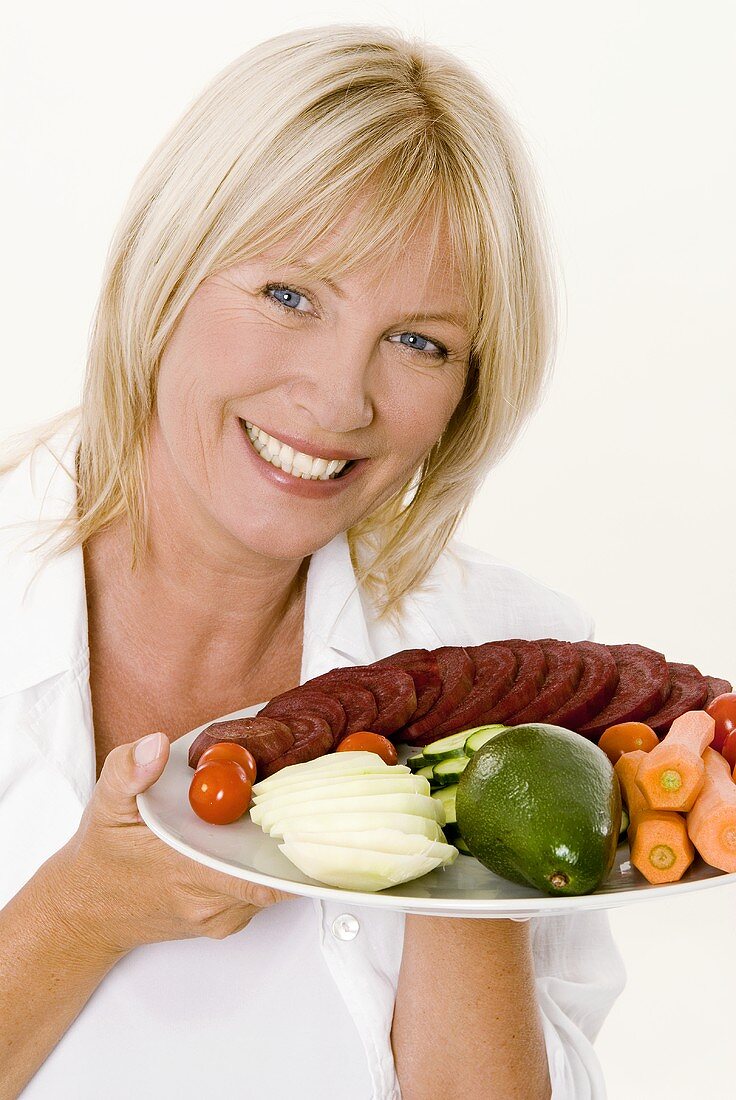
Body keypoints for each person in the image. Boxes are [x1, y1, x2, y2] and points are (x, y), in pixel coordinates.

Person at [0, 22, 626, 1100]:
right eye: (291, 295)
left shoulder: (526, 678)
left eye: (420, 341)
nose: (342, 399)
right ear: (170, 265)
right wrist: (75, 913)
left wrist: (464, 832)